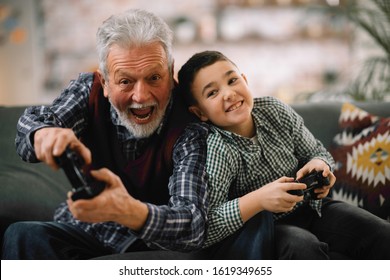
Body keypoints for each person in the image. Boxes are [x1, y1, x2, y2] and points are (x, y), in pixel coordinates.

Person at [2, 9, 209, 260]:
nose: (141, 96)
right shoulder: (89, 91)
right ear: (106, 82)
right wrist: (44, 134)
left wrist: (126, 211)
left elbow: (192, 225)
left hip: (149, 244)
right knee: (22, 235)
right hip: (90, 229)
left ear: (170, 71)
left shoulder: (189, 123)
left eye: (154, 77)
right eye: (125, 82)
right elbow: (33, 127)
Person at [177, 50, 390, 259]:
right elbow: (206, 228)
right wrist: (258, 200)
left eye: (232, 81)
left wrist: (319, 164)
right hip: (261, 230)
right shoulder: (216, 149)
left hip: (310, 209)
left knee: (380, 233)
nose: (229, 93)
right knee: (302, 246)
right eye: (212, 93)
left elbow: (315, 151)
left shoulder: (274, 109)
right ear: (200, 112)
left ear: (245, 80)